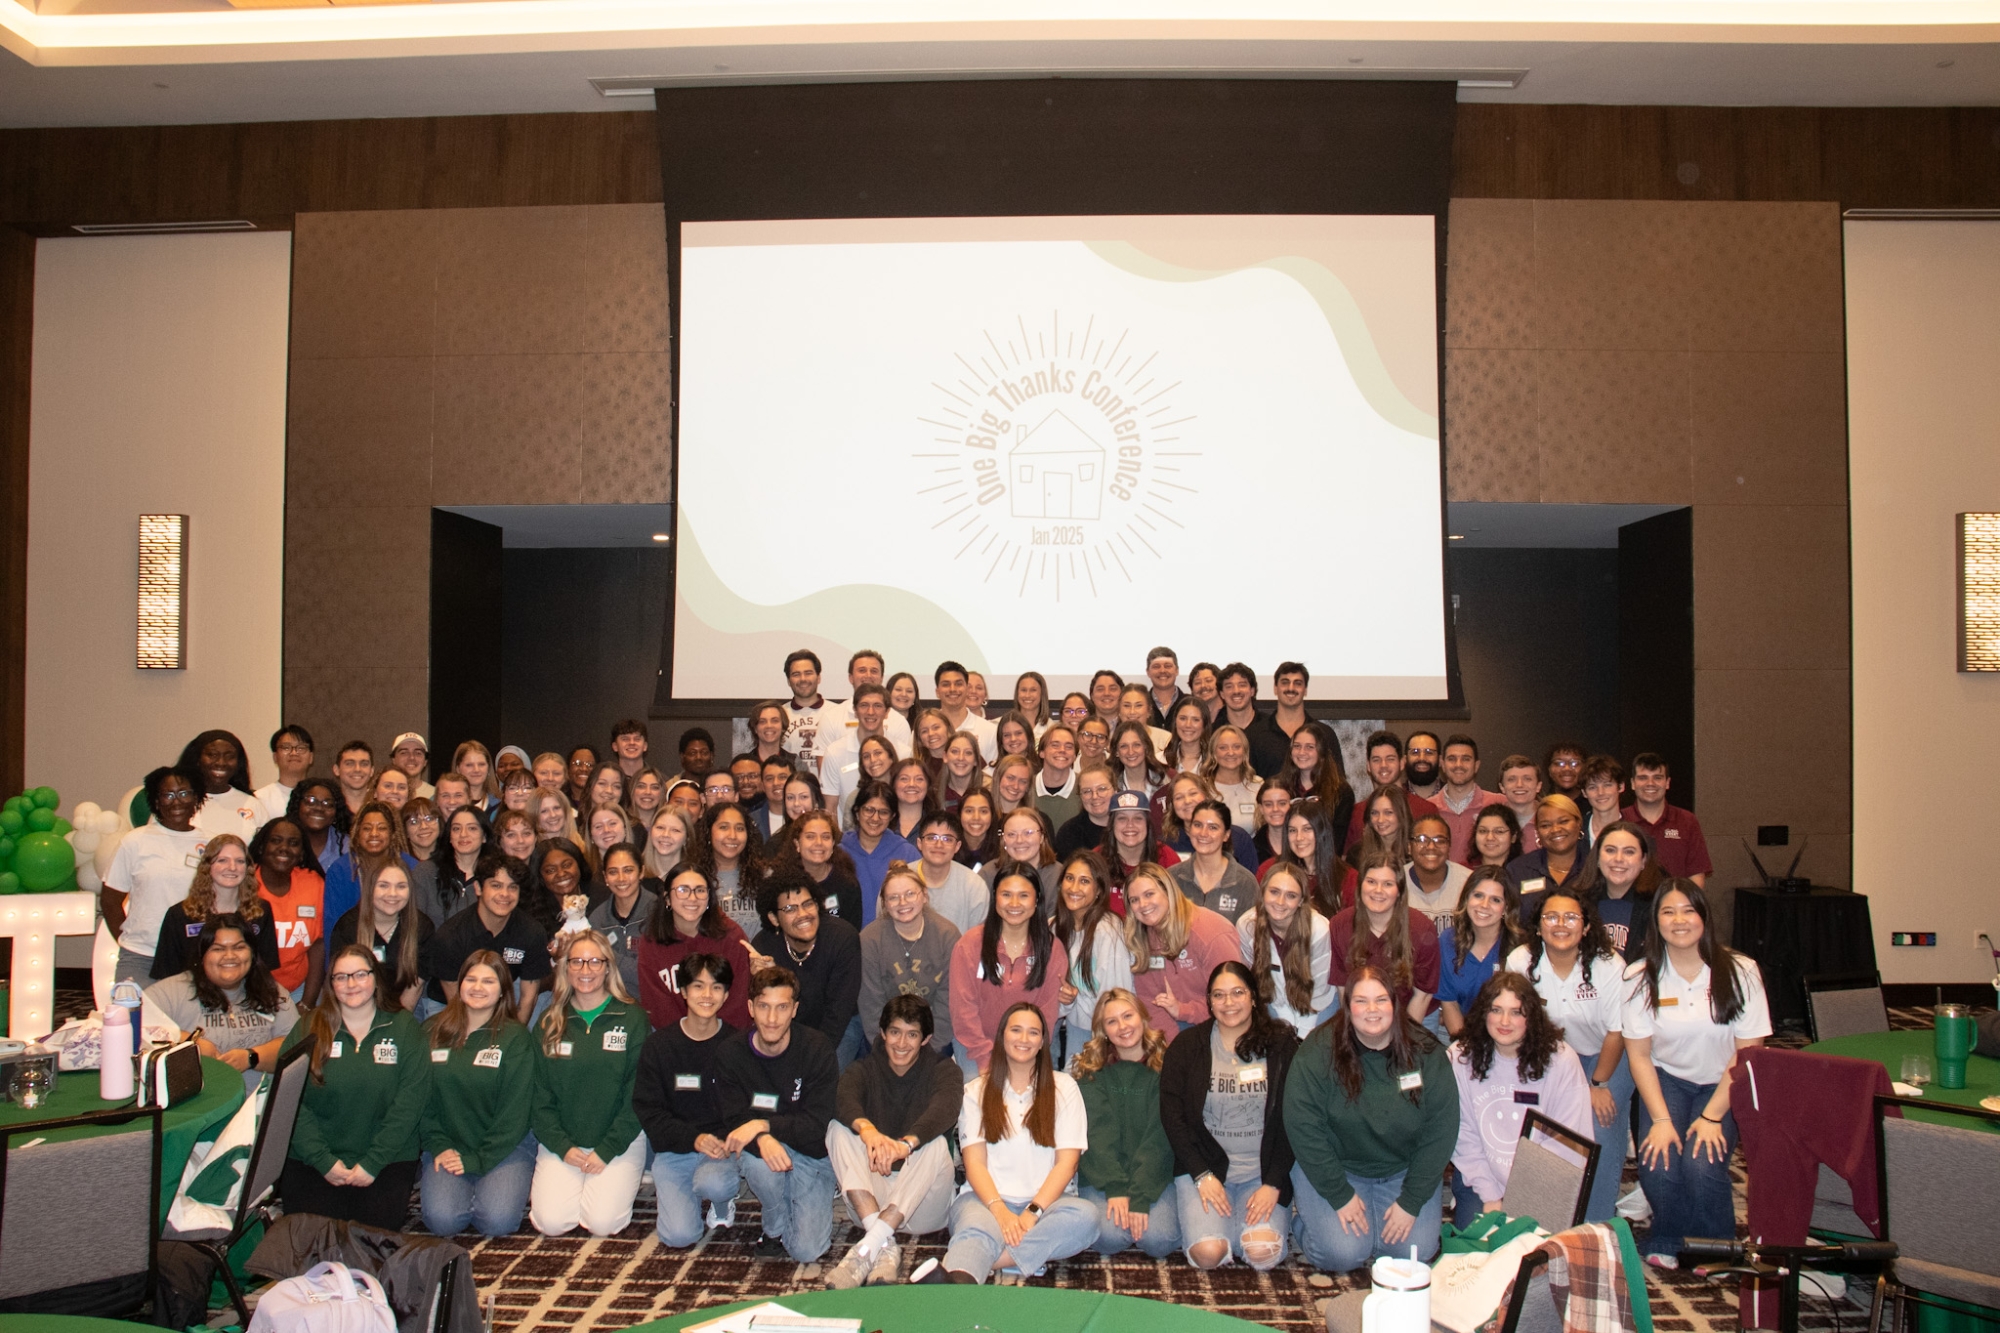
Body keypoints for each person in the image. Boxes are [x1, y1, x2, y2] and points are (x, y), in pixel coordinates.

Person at [1624, 880, 1771, 1267]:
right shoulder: (1639, 976)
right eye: (1668, 911)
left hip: (1725, 1083)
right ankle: (1669, 1236)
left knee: (1701, 1164)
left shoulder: (1741, 970)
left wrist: (1711, 1117)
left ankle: (1716, 1247)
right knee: (1658, 1162)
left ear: (1704, 917)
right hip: (1668, 1079)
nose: (1679, 920)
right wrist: (1660, 1120)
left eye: (1689, 910)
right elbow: (1639, 1056)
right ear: (1656, 921)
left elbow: (1748, 1054)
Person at [1285, 966, 1459, 1269]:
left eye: (1381, 1000)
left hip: (1402, 1170)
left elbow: (1441, 1131)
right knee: (1343, 1254)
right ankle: (1303, 1225)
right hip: (1337, 1167)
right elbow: (1303, 1127)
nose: (1372, 1010)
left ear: (1394, 1003)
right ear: (1347, 1005)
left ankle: (1371, 1235)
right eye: (1361, 1001)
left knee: (1413, 1253)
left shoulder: (1426, 1051)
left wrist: (1411, 1201)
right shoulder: (1318, 1050)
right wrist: (1339, 1194)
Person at [930, 1001, 1096, 1283]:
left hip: (1049, 1204)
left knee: (1085, 1217)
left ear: (1043, 1042)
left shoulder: (1064, 1087)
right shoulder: (976, 1090)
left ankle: (995, 1259)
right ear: (1002, 1037)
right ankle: (962, 1285)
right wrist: (1000, 1211)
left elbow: (1067, 1165)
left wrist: (1032, 1212)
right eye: (1016, 1030)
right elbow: (975, 1165)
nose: (1024, 1039)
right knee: (975, 1231)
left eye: (1033, 1032)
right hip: (985, 1200)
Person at [1160, 960, 1299, 1271]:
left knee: (1262, 1252)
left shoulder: (1282, 1046)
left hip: (1262, 1173)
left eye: (1238, 992)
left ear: (1253, 997)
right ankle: (1225, 1232)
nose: (1228, 1003)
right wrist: (1201, 1175)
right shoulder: (1187, 1047)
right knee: (1208, 1253)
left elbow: (1294, 1119)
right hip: (1205, 1171)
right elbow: (1173, 1118)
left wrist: (1273, 1183)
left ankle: (1243, 1231)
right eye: (1219, 995)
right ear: (1209, 1001)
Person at [1505, 889, 1633, 1223]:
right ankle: (1545, 1219)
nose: (1560, 924)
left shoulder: (1609, 965)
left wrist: (1597, 1084)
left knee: (1598, 1127)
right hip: (1550, 1058)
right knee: (1543, 1126)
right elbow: (1515, 1024)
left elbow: (1617, 1033)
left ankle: (1595, 1224)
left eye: (1571, 917)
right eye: (1551, 917)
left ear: (1587, 927)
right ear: (1538, 926)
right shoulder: (1520, 962)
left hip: (1606, 1057)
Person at [281, 945, 431, 1228]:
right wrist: (323, 1161)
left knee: (370, 1240)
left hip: (386, 1159)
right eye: (341, 977)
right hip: (313, 1159)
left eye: (361, 974)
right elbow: (288, 1100)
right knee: (311, 1239)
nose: (351, 984)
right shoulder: (308, 1027)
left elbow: (410, 1104)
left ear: (376, 978)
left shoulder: (404, 1028)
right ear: (331, 983)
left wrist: (373, 1163)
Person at [823, 994, 965, 1288]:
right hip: (870, 1204)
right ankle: (883, 1245)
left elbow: (945, 1109)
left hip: (924, 1205)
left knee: (936, 1145)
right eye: (895, 1032)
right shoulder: (863, 1069)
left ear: (925, 1039)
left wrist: (906, 1145)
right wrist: (868, 1131)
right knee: (838, 1130)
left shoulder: (944, 1070)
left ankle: (865, 1249)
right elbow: (843, 1099)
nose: (902, 1043)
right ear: (883, 1033)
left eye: (912, 1034)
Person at [715, 966, 843, 1262]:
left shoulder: (817, 1049)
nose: (772, 1018)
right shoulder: (730, 1053)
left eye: (782, 1007)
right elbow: (734, 1120)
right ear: (750, 1008)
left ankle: (796, 1201)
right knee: (760, 1165)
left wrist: (762, 1125)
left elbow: (817, 1124)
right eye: (764, 1007)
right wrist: (763, 1138)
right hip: (760, 1151)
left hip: (811, 1152)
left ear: (795, 1009)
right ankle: (774, 1225)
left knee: (807, 1251)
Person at [1446, 972, 1595, 1226]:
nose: (1504, 1021)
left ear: (1531, 1016)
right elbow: (1463, 1134)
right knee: (1480, 1248)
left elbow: (1569, 1141)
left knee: (1534, 1249)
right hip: (1481, 1181)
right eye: (1496, 1010)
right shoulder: (1460, 1057)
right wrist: (1490, 1195)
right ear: (1483, 1012)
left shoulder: (1561, 1060)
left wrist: (1523, 1199)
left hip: (1544, 1184)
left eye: (1516, 1012)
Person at [420, 951, 537, 1238]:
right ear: (459, 985)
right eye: (471, 979)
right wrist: (439, 1145)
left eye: (488, 981)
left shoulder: (516, 1038)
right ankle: (468, 1193)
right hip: (448, 1146)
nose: (478, 987)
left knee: (498, 1222)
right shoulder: (431, 1031)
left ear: (503, 991)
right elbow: (419, 1100)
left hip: (505, 1147)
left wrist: (477, 1160)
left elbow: (515, 1114)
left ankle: (487, 1189)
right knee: (443, 1222)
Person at [633, 950, 746, 1246]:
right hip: (674, 1150)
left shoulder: (737, 1046)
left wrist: (723, 1140)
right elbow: (649, 1110)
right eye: (698, 986)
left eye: (716, 987)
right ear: (683, 991)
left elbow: (744, 1107)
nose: (707, 995)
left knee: (715, 1183)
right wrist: (693, 1139)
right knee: (679, 1237)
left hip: (720, 1150)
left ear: (726, 994)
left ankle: (721, 1204)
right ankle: (687, 1200)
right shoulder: (659, 1046)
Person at [1071, 989, 1180, 1259]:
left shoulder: (1168, 1068)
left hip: (1154, 1175)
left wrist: (1140, 1197)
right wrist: (1116, 1188)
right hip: (1103, 1176)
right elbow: (1097, 1137)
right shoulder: (1090, 1073)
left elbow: (1160, 1139)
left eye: (1128, 1016)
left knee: (1158, 1240)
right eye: (1112, 1021)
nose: (1122, 1027)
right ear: (1103, 1030)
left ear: (1142, 1018)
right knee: (1109, 1238)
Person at [142, 913, 298, 1091]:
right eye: (218, 949)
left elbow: (295, 1045)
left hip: (260, 1099)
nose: (229, 956)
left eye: (239, 947)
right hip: (199, 1100)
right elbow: (137, 1030)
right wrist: (191, 1045)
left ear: (252, 954)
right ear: (202, 955)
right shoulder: (170, 992)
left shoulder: (272, 991)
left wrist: (251, 1057)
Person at [948, 868, 1068, 1074]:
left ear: (1037, 899)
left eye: (1023, 895)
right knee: (982, 1093)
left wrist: (1023, 1057)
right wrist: (985, 1059)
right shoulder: (970, 944)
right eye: (1006, 894)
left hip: (1030, 1048)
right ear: (995, 897)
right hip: (975, 1046)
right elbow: (963, 1010)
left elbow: (1047, 1013)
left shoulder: (1051, 948)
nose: (1014, 903)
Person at [421, 853, 553, 1022]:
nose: (505, 894)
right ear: (478, 888)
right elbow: (456, 1003)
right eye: (496, 886)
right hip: (449, 1005)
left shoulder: (532, 932)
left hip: (502, 1000)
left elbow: (528, 998)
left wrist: (514, 1034)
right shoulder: (451, 935)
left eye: (512, 887)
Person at [105, 765, 206, 984]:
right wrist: (128, 942)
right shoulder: (134, 841)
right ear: (157, 802)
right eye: (168, 795)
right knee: (132, 1007)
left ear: (196, 798)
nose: (176, 801)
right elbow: (110, 901)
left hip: (195, 957)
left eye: (184, 793)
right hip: (141, 958)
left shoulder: (212, 844)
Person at [751, 879, 864, 1065]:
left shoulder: (842, 938)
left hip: (840, 1025)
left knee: (823, 1071)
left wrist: (810, 1060)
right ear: (774, 918)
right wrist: (772, 978)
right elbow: (769, 1013)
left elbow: (838, 1013)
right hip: (788, 1022)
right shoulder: (764, 946)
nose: (803, 914)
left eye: (808, 904)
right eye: (790, 909)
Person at [1123, 864, 1244, 1036]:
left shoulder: (1211, 932)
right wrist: (1173, 1045)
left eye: (1149, 894)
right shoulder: (1143, 939)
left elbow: (1230, 1000)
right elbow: (1150, 1001)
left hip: (1222, 1022)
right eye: (1134, 900)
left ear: (1168, 892)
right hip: (1174, 1025)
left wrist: (1183, 1011)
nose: (1143, 904)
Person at [637, 863, 756, 1031]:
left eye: (700, 890)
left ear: (709, 898)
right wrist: (687, 1036)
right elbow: (656, 1006)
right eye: (682, 890)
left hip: (726, 1037)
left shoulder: (732, 937)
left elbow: (738, 1001)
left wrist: (714, 1036)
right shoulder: (651, 941)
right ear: (667, 898)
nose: (692, 898)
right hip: (674, 1037)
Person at [1329, 851, 1442, 1026]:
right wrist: (1358, 1031)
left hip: (1413, 1012)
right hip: (1360, 1011)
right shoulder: (1340, 925)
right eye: (1371, 882)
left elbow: (1423, 994)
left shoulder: (1422, 929)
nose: (1378, 890)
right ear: (1360, 885)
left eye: (1388, 884)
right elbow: (1343, 988)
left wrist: (1402, 1037)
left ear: (1399, 891)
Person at [858, 862, 960, 1055]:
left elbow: (948, 1002)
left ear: (924, 896)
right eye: (893, 897)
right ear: (885, 904)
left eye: (910, 894)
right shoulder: (870, 940)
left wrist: (930, 1048)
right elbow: (870, 1005)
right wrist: (888, 1048)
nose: (902, 902)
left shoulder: (947, 936)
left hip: (933, 1037)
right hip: (885, 1038)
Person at [151, 834, 281, 980]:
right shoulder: (179, 915)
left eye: (239, 861)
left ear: (248, 868)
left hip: (245, 992)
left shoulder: (260, 910)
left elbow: (265, 968)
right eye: (222, 860)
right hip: (191, 992)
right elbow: (167, 974)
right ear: (207, 866)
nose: (232, 867)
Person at [1053, 850, 1136, 1060]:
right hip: (1077, 1026)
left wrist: (1106, 1042)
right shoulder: (1055, 927)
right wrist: (1065, 999)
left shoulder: (1108, 930)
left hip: (1110, 1031)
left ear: (1099, 890)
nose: (1074, 888)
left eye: (1084, 881)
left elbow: (1116, 996)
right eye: (1069, 878)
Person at [1239, 863, 1336, 1036]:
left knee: (1312, 1048)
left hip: (1317, 1003)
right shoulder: (1246, 925)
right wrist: (1285, 1033)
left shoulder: (1319, 930)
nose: (1280, 902)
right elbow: (1251, 976)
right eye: (1274, 892)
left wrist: (1302, 1039)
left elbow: (1319, 993)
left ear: (1301, 901)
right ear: (1263, 892)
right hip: (1274, 1002)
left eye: (1291, 896)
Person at [329, 859, 432, 1011]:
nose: (392, 894)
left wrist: (398, 1022)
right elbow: (344, 986)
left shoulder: (422, 927)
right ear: (370, 888)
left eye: (401, 886)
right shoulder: (347, 928)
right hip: (355, 1006)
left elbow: (414, 988)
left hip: (404, 1008)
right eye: (383, 885)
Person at [1436, 867, 1522, 1037]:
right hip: (1462, 1036)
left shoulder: (1520, 948)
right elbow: (1449, 1004)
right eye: (1478, 895)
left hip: (1510, 1037)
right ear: (1466, 898)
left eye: (1495, 900)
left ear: (1506, 908)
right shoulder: (1448, 941)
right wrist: (1466, 1047)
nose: (1484, 905)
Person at [1558, 821, 1656, 960]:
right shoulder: (1574, 902)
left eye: (1629, 852)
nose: (1618, 859)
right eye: (1610, 850)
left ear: (1643, 860)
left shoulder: (1659, 905)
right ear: (1597, 857)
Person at [254, 817, 326, 1005]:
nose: (284, 848)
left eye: (293, 843)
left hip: (298, 989)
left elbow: (318, 944)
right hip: (248, 991)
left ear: (301, 854)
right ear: (261, 847)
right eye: (275, 841)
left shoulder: (313, 884)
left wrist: (307, 1002)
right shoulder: (244, 883)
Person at [321, 800, 412, 944]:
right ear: (357, 833)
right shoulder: (340, 870)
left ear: (392, 833)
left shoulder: (411, 867)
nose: (374, 834)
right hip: (351, 949)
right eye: (367, 828)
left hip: (402, 947)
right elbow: (332, 926)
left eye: (382, 828)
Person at [1621, 753, 1711, 886]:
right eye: (1643, 778)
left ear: (1667, 783)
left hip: (1675, 899)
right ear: (1633, 783)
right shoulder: (1620, 820)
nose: (1650, 783)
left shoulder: (1687, 821)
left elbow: (1696, 876)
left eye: (1657, 778)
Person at [768, 810, 864, 926]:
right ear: (797, 844)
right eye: (810, 837)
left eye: (826, 837)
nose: (819, 842)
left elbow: (851, 931)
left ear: (833, 844)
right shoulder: (781, 884)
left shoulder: (847, 884)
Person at [840, 782, 918, 922]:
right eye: (869, 810)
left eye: (883, 812)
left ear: (892, 816)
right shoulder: (839, 853)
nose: (875, 818)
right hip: (848, 934)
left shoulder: (907, 853)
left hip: (896, 933)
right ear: (857, 812)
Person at [1346, 730, 1439, 849]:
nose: (1383, 765)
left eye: (1390, 759)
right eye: (1376, 760)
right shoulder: (1357, 813)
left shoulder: (1425, 810)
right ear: (1368, 766)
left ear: (1402, 763)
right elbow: (1349, 857)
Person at [1170, 799, 1258, 923]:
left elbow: (1252, 932)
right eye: (1198, 825)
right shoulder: (1172, 878)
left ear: (1226, 835)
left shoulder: (1245, 883)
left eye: (1213, 827)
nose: (1203, 833)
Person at [820, 684, 896, 825]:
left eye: (877, 706)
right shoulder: (834, 752)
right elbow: (830, 808)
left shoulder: (903, 751)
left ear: (887, 712)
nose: (870, 712)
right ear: (855, 711)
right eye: (864, 705)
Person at [587, 843, 655, 999]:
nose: (621, 878)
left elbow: (649, 974)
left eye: (628, 870)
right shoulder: (597, 919)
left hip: (651, 1005)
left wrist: (607, 955)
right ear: (605, 877)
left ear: (641, 872)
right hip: (608, 1003)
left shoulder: (658, 913)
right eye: (613, 872)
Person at [906, 809, 988, 936]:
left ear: (957, 846)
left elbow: (977, 940)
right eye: (931, 838)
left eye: (947, 839)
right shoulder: (900, 880)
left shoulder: (974, 886)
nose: (939, 845)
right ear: (919, 843)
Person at [1160, 773, 1259, 871]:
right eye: (1179, 797)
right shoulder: (1165, 844)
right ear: (1172, 806)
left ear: (1206, 795)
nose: (1187, 801)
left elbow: (1250, 879)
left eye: (1193, 793)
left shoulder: (1239, 838)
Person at [179, 729, 264, 842]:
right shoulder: (179, 802)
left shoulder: (253, 805)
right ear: (197, 759)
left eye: (229, 756)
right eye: (213, 755)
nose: (221, 763)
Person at [1102, 790, 1179, 911]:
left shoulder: (1167, 857)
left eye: (1138, 818)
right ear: (1111, 824)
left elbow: (1179, 907)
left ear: (1148, 824)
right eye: (1122, 818)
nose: (1130, 825)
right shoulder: (1097, 859)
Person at [1432, 735, 1504, 863]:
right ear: (1442, 764)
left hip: (1485, 875)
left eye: (1466, 759)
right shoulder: (1428, 808)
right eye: (1452, 759)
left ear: (1476, 765)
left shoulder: (1499, 803)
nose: (1458, 765)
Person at [1269, 797, 1342, 919]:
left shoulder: (1347, 878)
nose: (1299, 837)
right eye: (1292, 830)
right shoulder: (1270, 870)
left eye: (1307, 829)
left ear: (1322, 831)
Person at [1506, 794, 1585, 905]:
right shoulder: (1518, 869)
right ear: (1537, 832)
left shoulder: (1596, 867)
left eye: (1563, 821)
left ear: (1579, 823)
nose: (1555, 830)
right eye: (1546, 825)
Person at [702, 802, 764, 937]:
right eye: (724, 827)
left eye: (740, 828)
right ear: (708, 832)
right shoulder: (695, 879)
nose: (732, 836)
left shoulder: (765, 877)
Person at [979, 808, 1063, 908]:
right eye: (1011, 834)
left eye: (1028, 833)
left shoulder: (1058, 875)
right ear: (1003, 840)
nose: (1019, 840)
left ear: (1041, 837)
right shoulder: (988, 874)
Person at [1243, 662, 1312, 780]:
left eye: (1298, 683)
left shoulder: (1324, 734)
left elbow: (1336, 783)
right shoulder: (1253, 735)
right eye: (1285, 682)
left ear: (1305, 690)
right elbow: (1247, 782)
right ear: (1275, 688)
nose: (1291, 688)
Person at [1405, 813, 1470, 935]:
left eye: (1439, 841)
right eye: (1422, 840)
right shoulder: (1393, 881)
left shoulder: (1468, 882)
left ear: (1449, 847)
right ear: (1409, 847)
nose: (1431, 847)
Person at [425, 807, 488, 927]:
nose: (463, 834)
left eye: (472, 828)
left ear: (484, 836)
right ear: (449, 836)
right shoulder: (426, 872)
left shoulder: (495, 875)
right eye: (456, 829)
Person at [1203, 724, 1262, 835]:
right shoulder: (1202, 787)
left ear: (1245, 751)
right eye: (1223, 748)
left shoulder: (1258, 785)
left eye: (1236, 747)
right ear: (1213, 752)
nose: (1230, 753)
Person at [933, 661, 998, 762]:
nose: (952, 689)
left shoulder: (989, 731)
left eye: (958, 684)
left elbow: (993, 770)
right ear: (937, 692)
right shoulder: (924, 730)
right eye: (946, 684)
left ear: (967, 689)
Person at [1052, 763, 1116, 859]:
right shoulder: (1069, 833)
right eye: (1087, 791)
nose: (1095, 796)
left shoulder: (1128, 827)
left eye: (1102, 789)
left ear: (1115, 790)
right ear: (1080, 796)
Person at [289, 776, 350, 875]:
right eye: (311, 801)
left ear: (336, 812)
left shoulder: (348, 848)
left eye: (327, 803)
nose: (319, 808)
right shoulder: (284, 843)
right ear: (297, 806)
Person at [256, 725, 315, 824]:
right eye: (286, 748)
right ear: (275, 757)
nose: (294, 753)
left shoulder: (320, 799)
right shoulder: (260, 799)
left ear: (311, 757)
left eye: (301, 748)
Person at [1577, 755, 1627, 853]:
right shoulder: (1574, 832)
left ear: (1621, 786)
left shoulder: (1637, 834)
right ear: (1584, 793)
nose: (1600, 793)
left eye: (1607, 785)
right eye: (1592, 787)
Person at [1110, 721, 1169, 800]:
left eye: (1136, 745)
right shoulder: (1110, 785)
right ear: (1116, 752)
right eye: (1124, 746)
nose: (1131, 752)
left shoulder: (1166, 780)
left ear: (1146, 747)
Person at [1497, 755, 1544, 854]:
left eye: (1527, 779)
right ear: (1502, 787)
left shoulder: (1550, 820)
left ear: (1538, 786)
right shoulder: (1491, 821)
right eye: (1512, 779)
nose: (1519, 785)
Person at [889, 755, 937, 841]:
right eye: (904, 779)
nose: (911, 784)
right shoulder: (882, 823)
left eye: (919, 779)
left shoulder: (938, 825)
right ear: (894, 785)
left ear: (928, 785)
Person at [955, 789, 1000, 873]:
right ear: (960, 814)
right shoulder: (949, 849)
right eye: (969, 811)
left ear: (992, 815)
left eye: (983, 811)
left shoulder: (1002, 852)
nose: (976, 817)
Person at [453, 740, 501, 816]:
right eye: (469, 765)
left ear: (488, 768)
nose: (476, 770)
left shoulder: (500, 807)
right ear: (458, 769)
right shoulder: (445, 804)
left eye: (481, 764)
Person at [1468, 805, 1522, 871]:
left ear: (1513, 837)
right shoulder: (1462, 872)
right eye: (1483, 831)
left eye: (1499, 831)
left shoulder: (1524, 872)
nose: (1490, 838)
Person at [334, 740, 377, 816]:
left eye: (364, 764)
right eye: (349, 764)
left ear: (372, 771)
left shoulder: (379, 810)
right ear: (336, 770)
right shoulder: (328, 808)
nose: (357, 769)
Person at [389, 732, 435, 800]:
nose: (411, 757)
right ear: (393, 760)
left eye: (418, 753)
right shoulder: (384, 795)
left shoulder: (437, 796)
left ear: (425, 761)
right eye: (404, 753)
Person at [989, 753, 1035, 817]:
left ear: (1028, 786)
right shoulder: (981, 817)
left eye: (1023, 781)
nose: (1016, 786)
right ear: (998, 778)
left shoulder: (1037, 819)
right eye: (1010, 778)